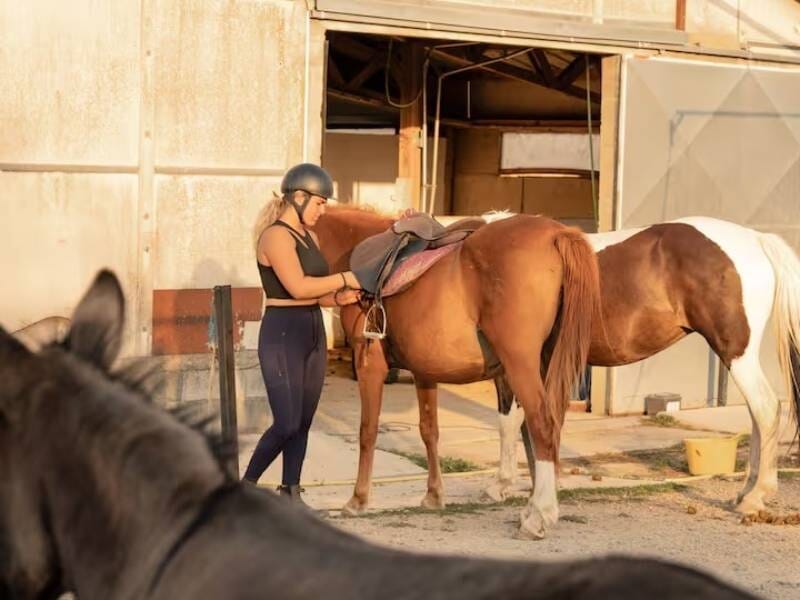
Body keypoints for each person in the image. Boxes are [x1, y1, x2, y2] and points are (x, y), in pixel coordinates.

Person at [242, 163, 361, 507]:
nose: (324, 210)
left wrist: (342, 297)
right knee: (286, 422)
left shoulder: (311, 237)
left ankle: (291, 493)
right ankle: (244, 488)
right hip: (282, 332)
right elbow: (296, 287)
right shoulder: (275, 236)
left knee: (304, 421)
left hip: (311, 329)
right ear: (299, 197)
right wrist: (345, 278)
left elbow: (316, 294)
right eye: (320, 202)